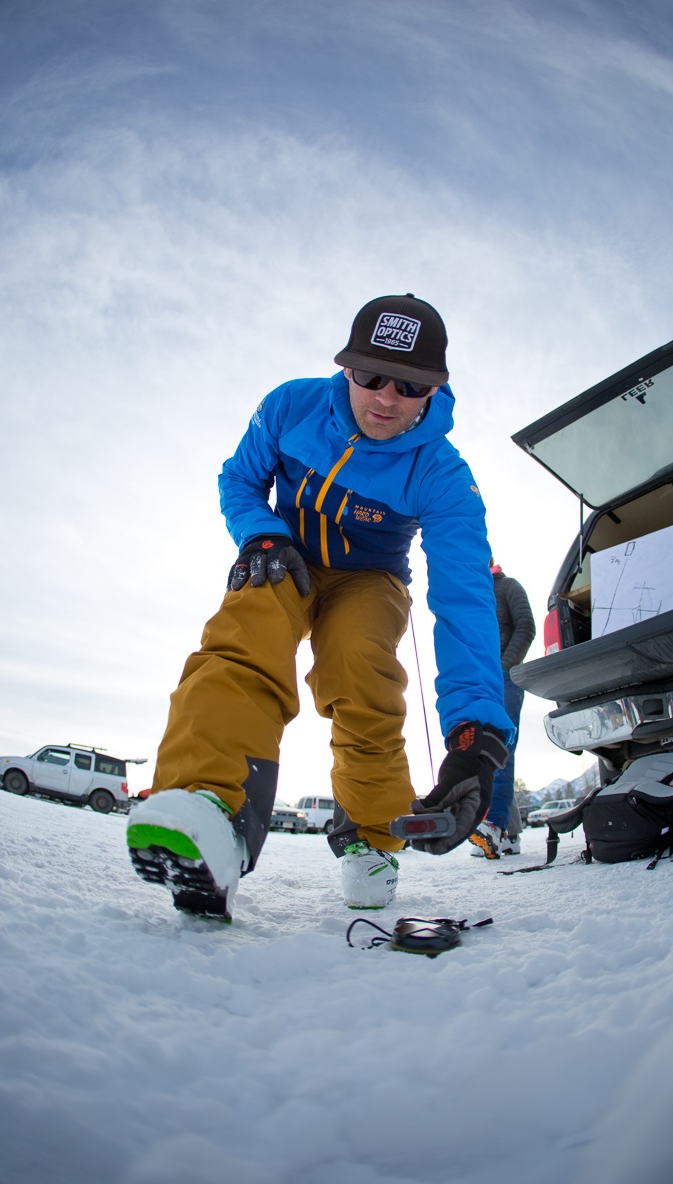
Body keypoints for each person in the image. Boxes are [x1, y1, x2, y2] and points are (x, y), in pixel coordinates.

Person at [127, 293, 514, 918]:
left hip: (369, 580)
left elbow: (464, 598)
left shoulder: (443, 474)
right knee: (246, 627)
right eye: (371, 376)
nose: (386, 399)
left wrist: (477, 733)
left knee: (358, 663)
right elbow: (239, 478)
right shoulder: (291, 406)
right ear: (347, 368)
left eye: (410, 386)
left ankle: (372, 835)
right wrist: (262, 531)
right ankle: (206, 804)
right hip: (285, 557)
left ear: (434, 390)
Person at [469, 563, 536, 860]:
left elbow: (526, 626)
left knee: (501, 750)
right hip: (480, 683)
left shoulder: (509, 587)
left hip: (505, 679)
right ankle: (511, 835)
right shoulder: (473, 592)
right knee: (486, 753)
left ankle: (494, 825)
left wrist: (505, 666)